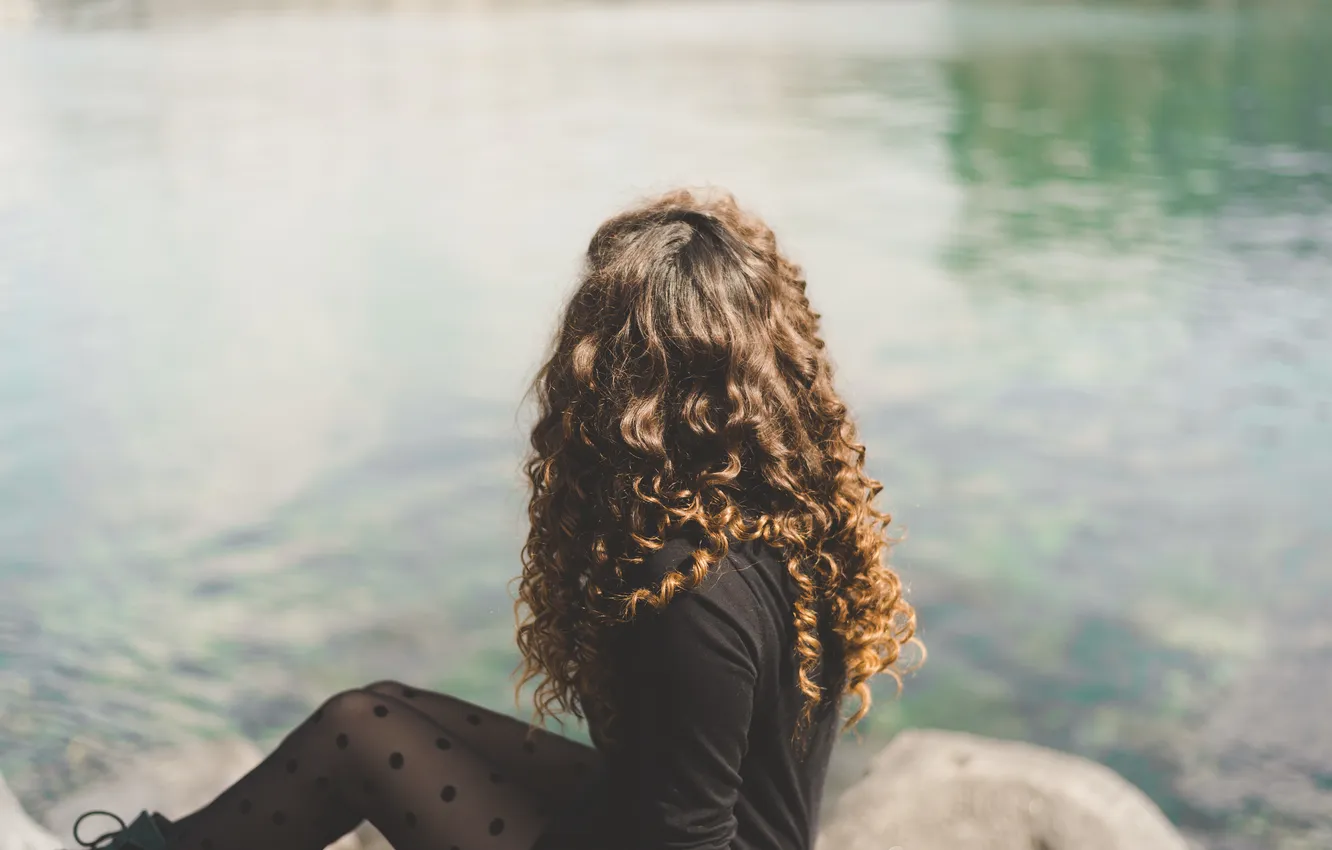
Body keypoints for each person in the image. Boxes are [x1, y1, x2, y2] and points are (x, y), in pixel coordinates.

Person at [69, 188, 920, 850]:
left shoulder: (689, 588)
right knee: (374, 709)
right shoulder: (788, 515)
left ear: (618, 380)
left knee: (357, 739)